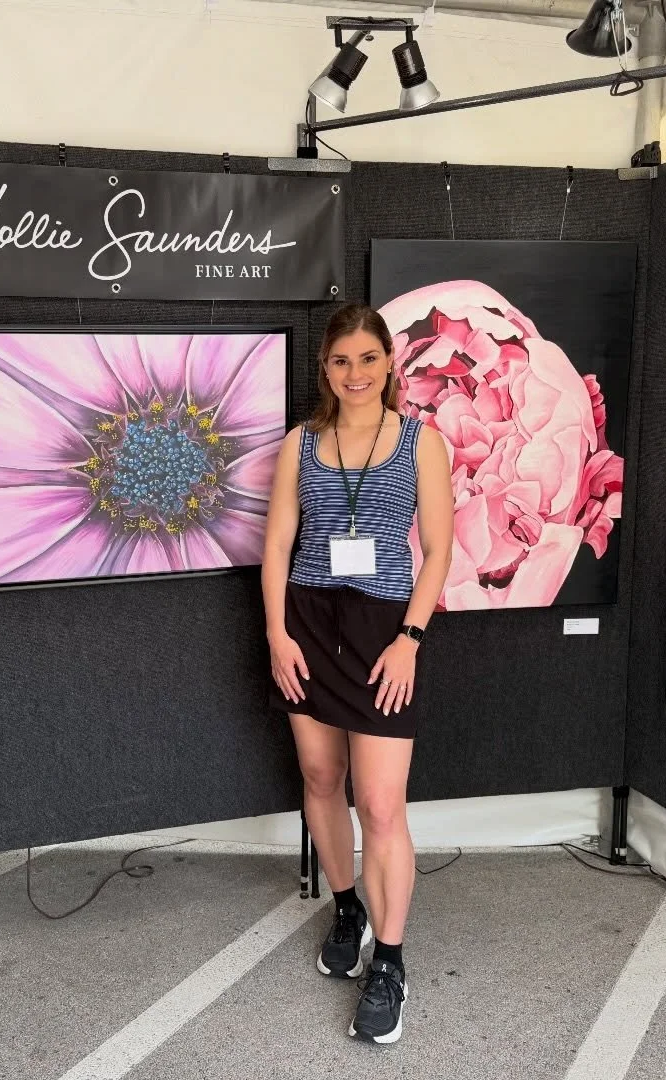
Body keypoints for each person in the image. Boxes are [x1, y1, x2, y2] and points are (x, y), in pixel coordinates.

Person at [262, 302, 453, 1044]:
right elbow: (278, 544)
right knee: (320, 778)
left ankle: (391, 962)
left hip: (383, 632)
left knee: (379, 803)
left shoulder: (420, 443)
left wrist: (410, 638)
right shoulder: (300, 444)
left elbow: (438, 550)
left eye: (368, 358)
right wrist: (277, 633)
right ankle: (347, 909)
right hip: (308, 624)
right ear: (325, 368)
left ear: (389, 362)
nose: (355, 373)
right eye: (341, 360)